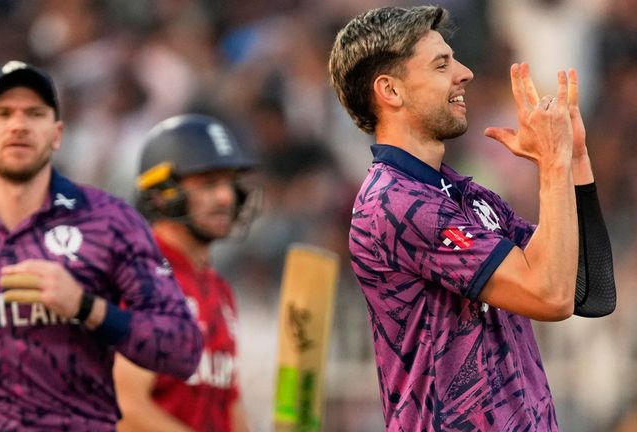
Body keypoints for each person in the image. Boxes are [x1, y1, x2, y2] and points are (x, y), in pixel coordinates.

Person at [328, 6, 616, 431]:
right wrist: (552, 167)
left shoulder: (464, 195)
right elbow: (549, 297)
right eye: (442, 64)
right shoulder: (393, 203)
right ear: (390, 90)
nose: (464, 73)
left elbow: (585, 290)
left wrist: (573, 161)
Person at [0, 60, 203, 432]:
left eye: (34, 113)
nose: (18, 125)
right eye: (1, 113)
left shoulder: (110, 221)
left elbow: (183, 348)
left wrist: (86, 307)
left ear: (57, 133)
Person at [113, 114, 257, 431]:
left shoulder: (220, 289)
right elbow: (126, 409)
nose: (225, 197)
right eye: (208, 184)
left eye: (229, 183)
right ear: (162, 192)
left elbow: (228, 402)